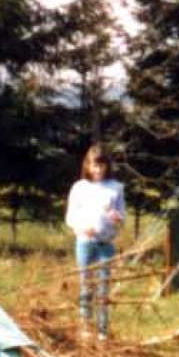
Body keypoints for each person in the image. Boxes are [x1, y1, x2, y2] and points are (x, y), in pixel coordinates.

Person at [64, 144, 124, 339]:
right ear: (87, 166)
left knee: (104, 286)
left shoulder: (116, 187)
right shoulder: (79, 187)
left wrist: (117, 218)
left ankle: (102, 331)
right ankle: (85, 327)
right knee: (86, 285)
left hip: (105, 245)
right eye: (94, 166)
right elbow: (70, 217)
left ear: (107, 166)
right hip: (85, 243)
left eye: (101, 165)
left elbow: (122, 217)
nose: (98, 170)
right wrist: (81, 229)